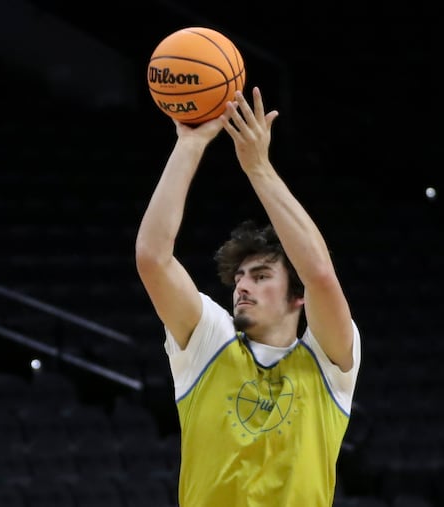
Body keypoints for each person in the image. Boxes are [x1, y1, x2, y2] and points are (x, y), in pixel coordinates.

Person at [135, 87, 361, 507]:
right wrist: (189, 144)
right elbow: (152, 259)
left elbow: (320, 275)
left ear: (297, 299)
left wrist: (258, 167)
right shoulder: (209, 342)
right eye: (240, 277)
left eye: (260, 276)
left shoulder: (328, 361)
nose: (242, 285)